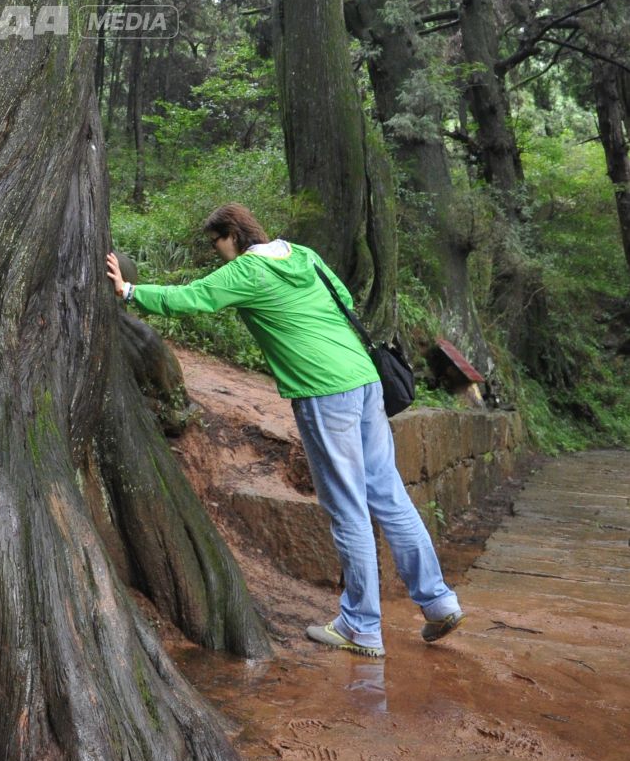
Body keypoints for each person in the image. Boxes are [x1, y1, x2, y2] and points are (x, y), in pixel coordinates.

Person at [105, 202, 464, 659]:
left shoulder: (248, 271)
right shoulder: (304, 255)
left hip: (322, 390)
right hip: (364, 381)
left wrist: (130, 291)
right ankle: (438, 601)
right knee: (388, 495)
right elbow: (345, 301)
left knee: (347, 506)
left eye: (218, 245)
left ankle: (361, 627)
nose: (220, 256)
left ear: (231, 234)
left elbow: (195, 298)